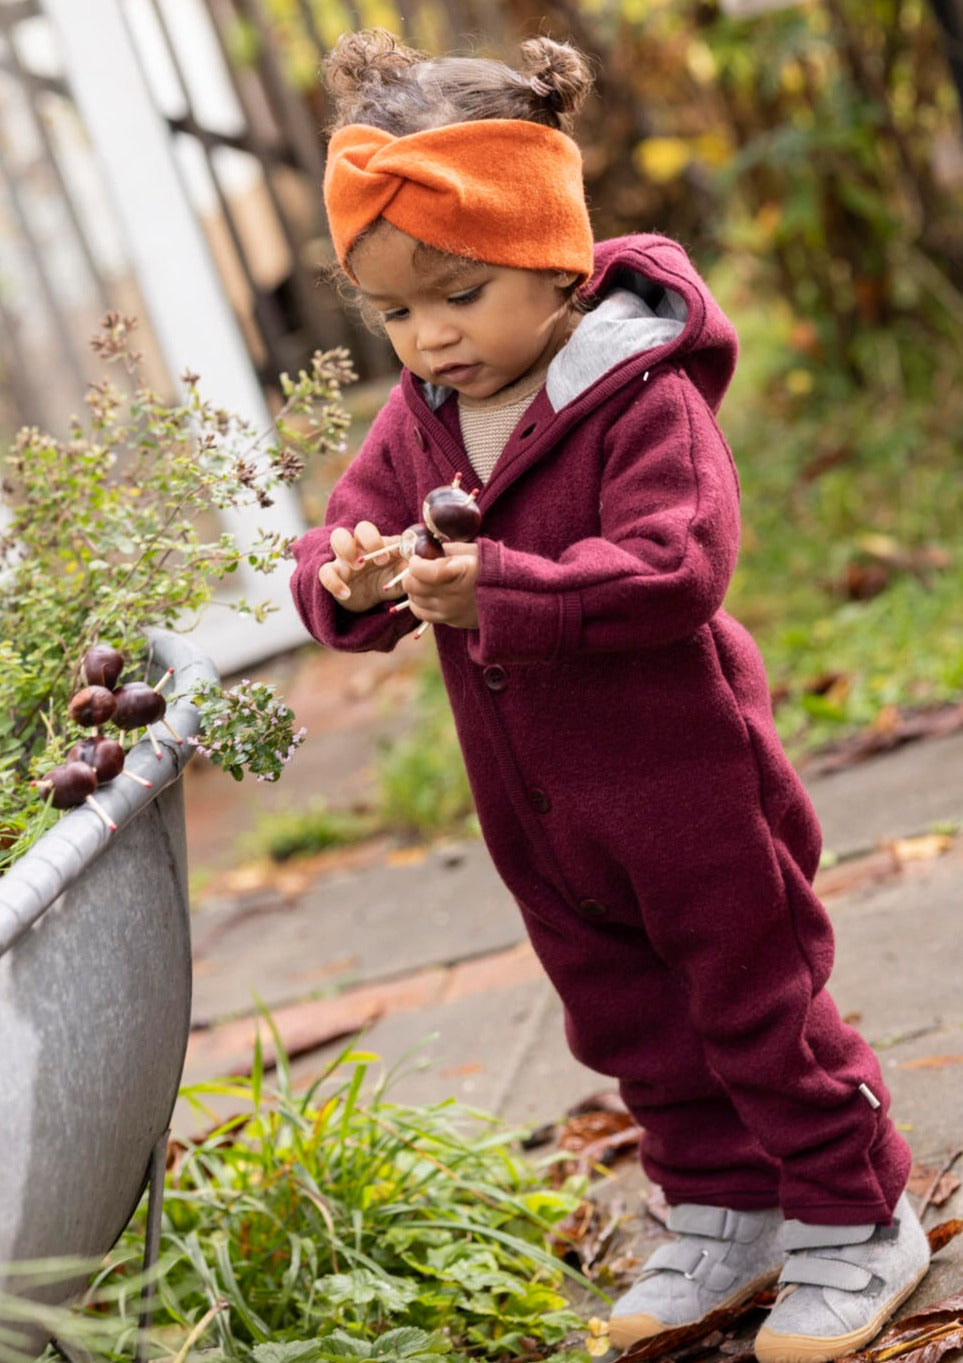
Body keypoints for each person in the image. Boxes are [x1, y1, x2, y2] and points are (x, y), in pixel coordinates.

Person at [289, 28, 930, 1362]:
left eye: (458, 292)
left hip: (688, 785)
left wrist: (502, 593)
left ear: (553, 256)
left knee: (755, 1001)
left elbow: (676, 568)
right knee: (626, 1015)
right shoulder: (420, 413)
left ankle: (857, 1216)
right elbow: (343, 530)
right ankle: (721, 1211)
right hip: (543, 812)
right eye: (397, 312)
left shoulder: (639, 396)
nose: (430, 335)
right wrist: (348, 577)